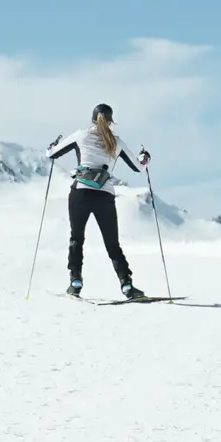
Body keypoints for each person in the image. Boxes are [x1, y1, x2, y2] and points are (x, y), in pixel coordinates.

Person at [46, 103, 150, 299]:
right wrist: (145, 158)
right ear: (111, 121)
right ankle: (126, 285)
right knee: (112, 244)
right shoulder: (116, 142)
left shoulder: (81, 135)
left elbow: (51, 154)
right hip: (105, 195)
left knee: (77, 238)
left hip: (80, 193)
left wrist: (52, 144)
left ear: (93, 118)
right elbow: (138, 167)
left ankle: (75, 282)